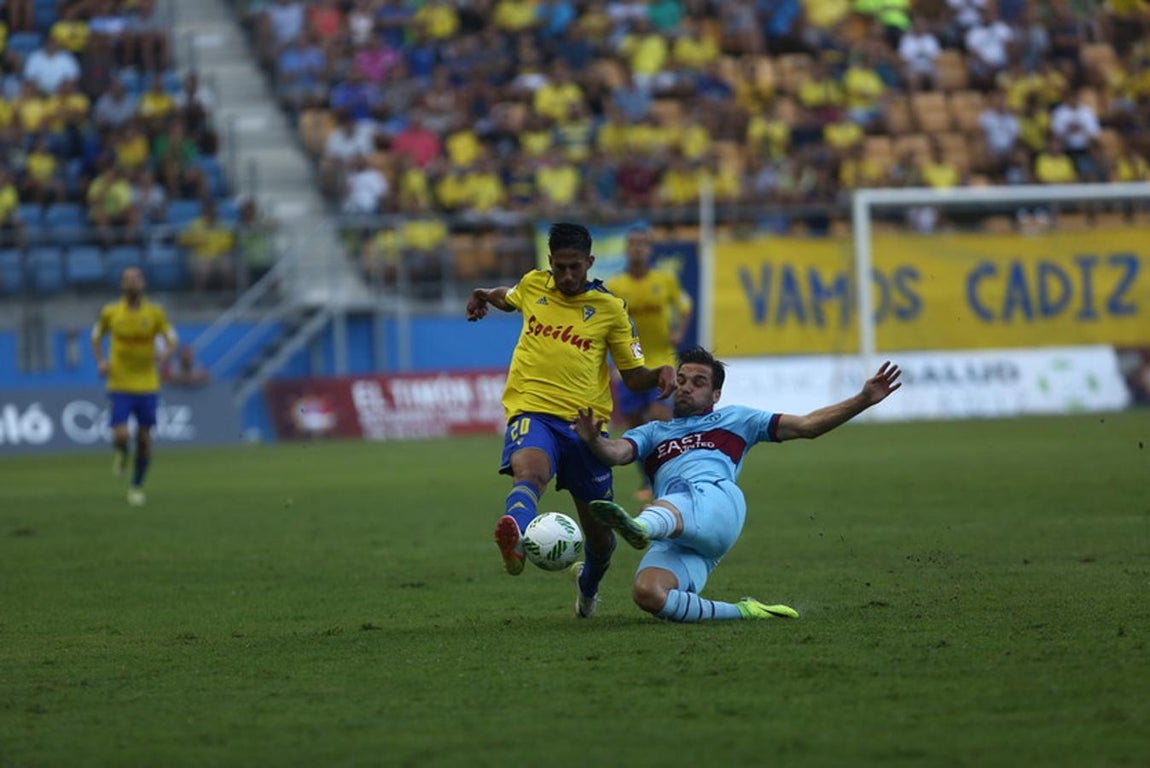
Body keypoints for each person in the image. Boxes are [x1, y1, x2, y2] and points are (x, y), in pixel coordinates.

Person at [572, 347, 902, 623]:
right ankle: (745, 611)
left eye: (698, 382)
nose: (686, 387)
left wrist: (863, 399)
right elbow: (616, 453)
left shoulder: (737, 419)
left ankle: (642, 526)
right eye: (682, 380)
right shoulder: (652, 432)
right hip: (683, 533)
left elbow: (807, 425)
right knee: (648, 593)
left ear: (715, 394)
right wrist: (593, 440)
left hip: (716, 505)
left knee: (678, 496)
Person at [466, 222, 675, 618]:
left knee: (600, 539)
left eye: (574, 267)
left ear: (589, 262)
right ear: (549, 261)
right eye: (559, 267)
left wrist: (659, 373)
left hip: (585, 427)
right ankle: (515, 537)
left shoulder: (611, 309)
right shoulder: (534, 284)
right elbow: (508, 297)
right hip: (532, 409)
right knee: (530, 472)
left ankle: (588, 586)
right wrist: (483, 295)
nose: (565, 275)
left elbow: (633, 376)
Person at [606, 227, 693, 501]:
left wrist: (679, 331)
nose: (637, 248)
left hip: (662, 361)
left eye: (642, 244)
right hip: (629, 366)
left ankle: (669, 476)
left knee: (659, 418)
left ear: (650, 249)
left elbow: (685, 306)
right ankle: (648, 478)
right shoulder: (616, 286)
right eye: (633, 244)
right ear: (627, 250)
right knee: (635, 428)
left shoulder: (665, 280)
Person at [90, 267, 178, 506]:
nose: (132, 283)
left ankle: (137, 485)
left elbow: (172, 340)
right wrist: (101, 362)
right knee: (121, 434)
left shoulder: (155, 313)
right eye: (128, 280)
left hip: (148, 384)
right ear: (122, 285)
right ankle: (121, 452)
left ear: (143, 283)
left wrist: (165, 354)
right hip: (120, 382)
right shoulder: (110, 312)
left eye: (136, 279)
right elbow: (95, 336)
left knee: (145, 439)